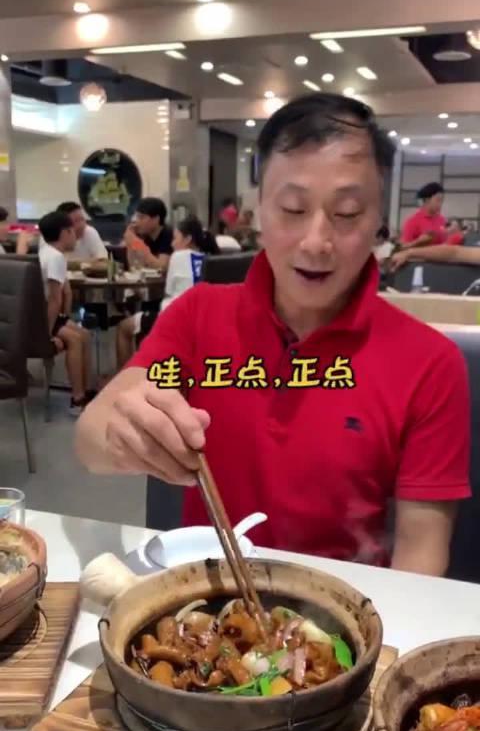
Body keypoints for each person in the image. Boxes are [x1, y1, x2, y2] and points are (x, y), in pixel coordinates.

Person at [75, 92, 471, 576]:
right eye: (292, 209)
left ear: (379, 223)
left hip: (342, 605)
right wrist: (123, 434)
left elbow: (421, 552)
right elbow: (90, 439)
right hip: (207, 597)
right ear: (259, 209)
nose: (316, 242)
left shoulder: (429, 362)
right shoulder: (197, 316)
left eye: (347, 213)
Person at [115, 216, 207, 369]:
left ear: (187, 239)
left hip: (175, 320)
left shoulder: (176, 253)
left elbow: (162, 275)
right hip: (199, 321)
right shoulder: (205, 258)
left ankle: (126, 378)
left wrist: (135, 242)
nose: (172, 243)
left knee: (124, 327)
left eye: (176, 239)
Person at [38, 211, 95, 416]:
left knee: (84, 335)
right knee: (76, 339)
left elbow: (65, 293)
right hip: (42, 318)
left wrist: (64, 319)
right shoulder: (55, 257)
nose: (75, 235)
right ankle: (77, 399)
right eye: (72, 231)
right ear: (64, 233)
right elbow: (55, 299)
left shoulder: (47, 252)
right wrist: (46, 334)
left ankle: (85, 390)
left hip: (42, 314)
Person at [124, 197, 173, 272]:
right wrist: (130, 244)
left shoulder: (168, 235)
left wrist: (136, 242)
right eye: (137, 217)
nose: (137, 221)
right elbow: (134, 266)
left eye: (141, 217)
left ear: (156, 219)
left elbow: (162, 267)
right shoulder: (145, 235)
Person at [401, 182, 447, 249]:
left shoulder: (442, 220)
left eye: (442, 201)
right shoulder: (412, 221)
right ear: (427, 200)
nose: (440, 204)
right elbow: (403, 247)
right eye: (438, 200)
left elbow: (445, 245)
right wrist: (418, 242)